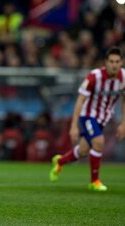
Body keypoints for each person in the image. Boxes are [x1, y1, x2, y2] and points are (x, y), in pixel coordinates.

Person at [49, 46, 125, 191]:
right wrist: (73, 126)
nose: (114, 65)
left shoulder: (123, 77)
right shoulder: (94, 76)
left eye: (117, 61)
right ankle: (94, 181)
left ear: (121, 63)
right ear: (105, 62)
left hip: (103, 118)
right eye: (111, 61)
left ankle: (60, 161)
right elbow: (80, 100)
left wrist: (123, 124)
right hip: (88, 116)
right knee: (98, 142)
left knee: (83, 151)